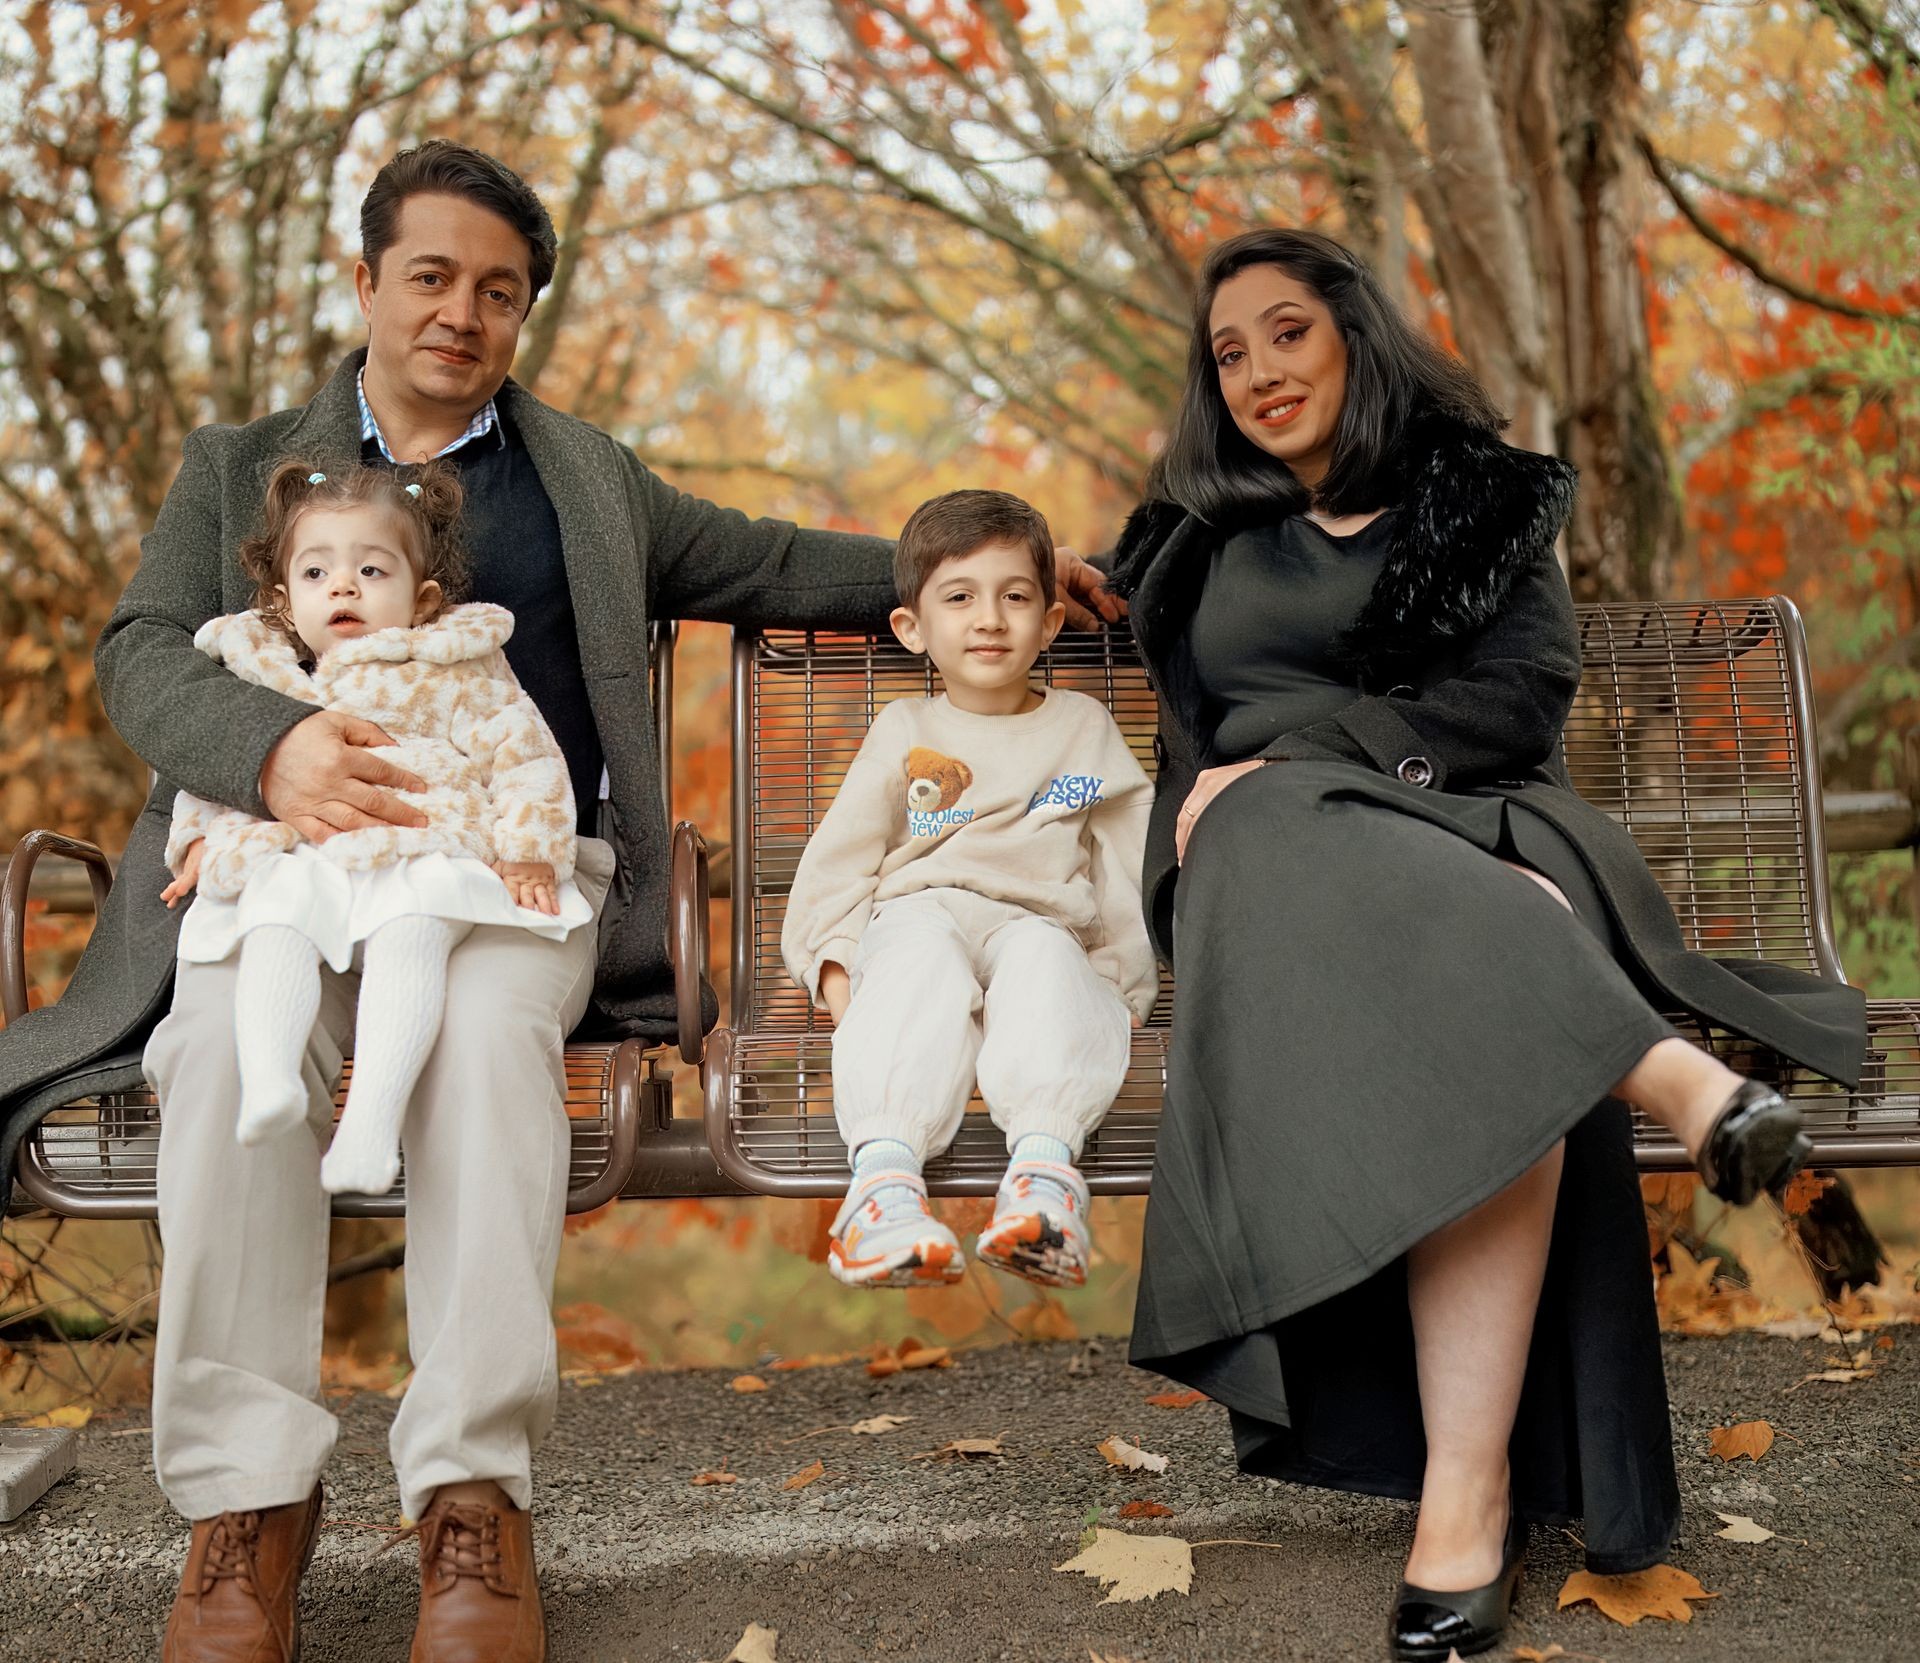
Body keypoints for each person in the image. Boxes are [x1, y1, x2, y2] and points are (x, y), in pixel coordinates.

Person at [0, 138, 1116, 1663]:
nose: (462, 311)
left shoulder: (584, 481)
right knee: (211, 1059)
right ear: (369, 280)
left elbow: (780, 560)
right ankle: (246, 1505)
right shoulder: (239, 465)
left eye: (498, 290)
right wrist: (272, 746)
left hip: (511, 886)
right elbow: (140, 650)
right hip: (288, 876)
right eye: (433, 276)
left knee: (479, 1046)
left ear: (522, 311)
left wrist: (1021, 571)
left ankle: (471, 1493)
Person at [1108, 228, 1867, 1661]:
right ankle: (1678, 1080)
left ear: (1353, 333)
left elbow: (1521, 694)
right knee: (1268, 827)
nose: (1260, 369)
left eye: (1287, 331)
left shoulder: (1483, 499)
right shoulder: (1192, 534)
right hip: (1269, 891)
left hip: (1471, 831)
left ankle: (1466, 1491)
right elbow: (979, 577)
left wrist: (1305, 759)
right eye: (1229, 353)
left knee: (1428, 925)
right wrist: (905, 581)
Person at [161, 459, 591, 1197]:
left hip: (423, 840)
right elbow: (221, 765)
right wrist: (199, 839)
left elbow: (525, 756)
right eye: (317, 573)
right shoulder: (263, 671)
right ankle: (271, 1081)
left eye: (371, 570)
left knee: (412, 929)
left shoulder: (453, 666)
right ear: (283, 598)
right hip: (308, 851)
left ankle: (369, 1125)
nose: (344, 587)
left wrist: (529, 852)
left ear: (421, 600)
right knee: (273, 916)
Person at [781, 490, 1156, 1290]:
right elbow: (843, 856)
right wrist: (835, 963)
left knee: (1052, 966)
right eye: (960, 597)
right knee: (915, 965)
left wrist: (1123, 974)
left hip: (1037, 915)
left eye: (1015, 596)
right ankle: (882, 1192)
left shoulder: (1080, 730)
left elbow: (1121, 852)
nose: (989, 618)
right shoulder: (906, 731)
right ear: (914, 630)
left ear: (1050, 622)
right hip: (923, 908)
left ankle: (1044, 1185)